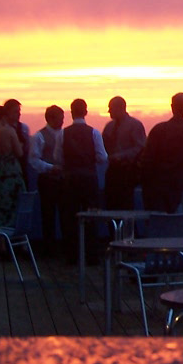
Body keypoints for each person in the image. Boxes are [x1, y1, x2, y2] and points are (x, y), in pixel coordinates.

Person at [62, 98, 108, 264]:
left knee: (70, 216)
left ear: (71, 112)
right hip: (89, 178)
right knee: (91, 215)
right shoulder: (94, 132)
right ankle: (91, 254)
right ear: (86, 112)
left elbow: (57, 157)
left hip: (70, 179)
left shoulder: (63, 133)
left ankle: (72, 255)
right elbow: (103, 157)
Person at [138, 92, 183, 213]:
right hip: (177, 179)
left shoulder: (159, 129)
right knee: (170, 211)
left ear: (172, 106)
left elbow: (147, 156)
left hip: (154, 180)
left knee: (154, 214)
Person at [30, 104, 64, 256]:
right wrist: (50, 167)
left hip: (62, 179)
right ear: (50, 118)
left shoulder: (63, 134)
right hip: (47, 180)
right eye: (60, 119)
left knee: (64, 212)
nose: (62, 122)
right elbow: (34, 160)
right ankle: (49, 247)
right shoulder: (39, 137)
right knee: (48, 214)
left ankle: (61, 245)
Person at [102, 96, 146, 210]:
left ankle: (127, 228)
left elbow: (140, 147)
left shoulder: (135, 125)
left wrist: (121, 156)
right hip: (112, 171)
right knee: (111, 204)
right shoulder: (109, 127)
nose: (109, 112)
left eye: (111, 108)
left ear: (120, 108)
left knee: (125, 205)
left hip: (127, 171)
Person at [3, 98, 33, 189]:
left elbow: (27, 147)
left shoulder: (24, 128)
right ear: (7, 113)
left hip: (22, 166)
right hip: (7, 169)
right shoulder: (3, 130)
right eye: (15, 111)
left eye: (19, 111)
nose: (19, 114)